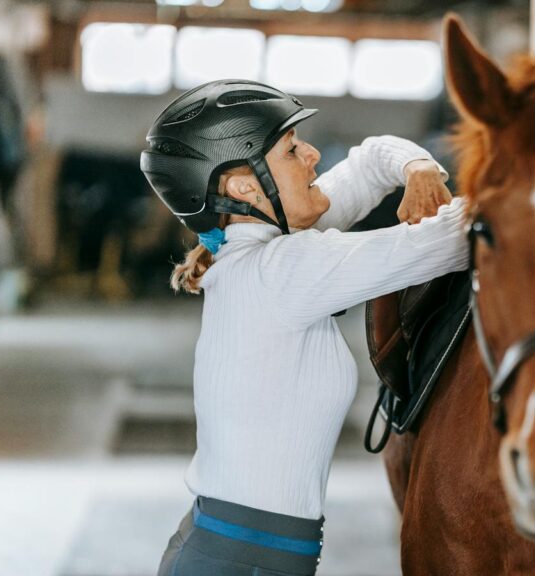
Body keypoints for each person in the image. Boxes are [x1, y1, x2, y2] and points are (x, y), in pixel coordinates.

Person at [140, 79, 468, 576]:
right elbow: (453, 240)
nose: (313, 154)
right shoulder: (280, 271)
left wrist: (419, 166)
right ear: (245, 187)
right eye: (292, 150)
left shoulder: (261, 247)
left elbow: (370, 159)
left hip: (239, 555)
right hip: (243, 563)